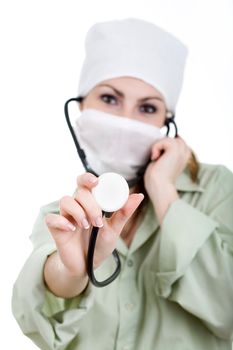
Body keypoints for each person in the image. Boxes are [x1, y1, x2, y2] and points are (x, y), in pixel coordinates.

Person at [12, 18, 233, 350]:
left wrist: (165, 195)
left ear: (166, 123)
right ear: (82, 108)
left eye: (147, 107)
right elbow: (37, 323)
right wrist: (73, 271)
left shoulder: (217, 188)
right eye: (110, 99)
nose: (126, 121)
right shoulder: (62, 216)